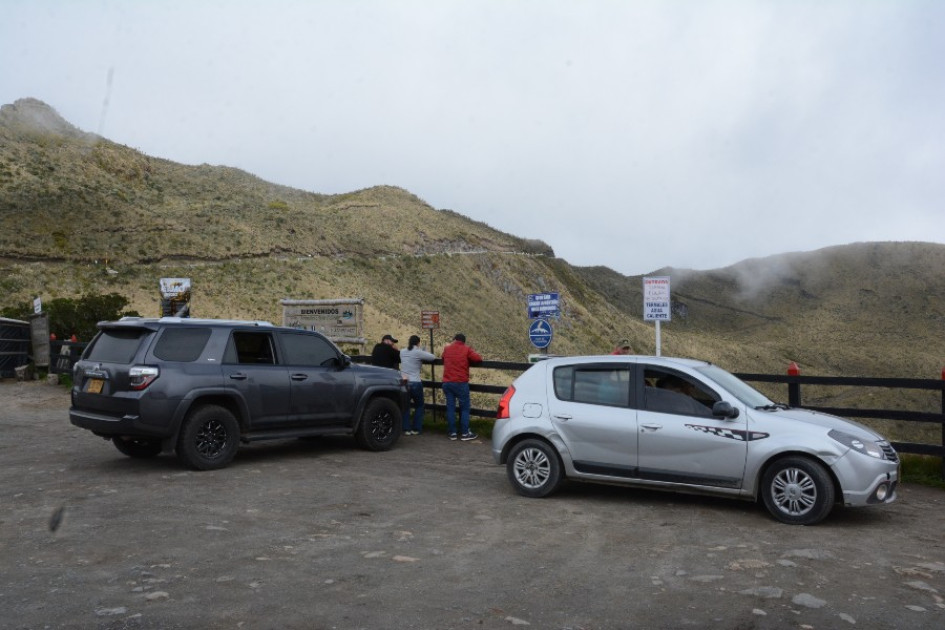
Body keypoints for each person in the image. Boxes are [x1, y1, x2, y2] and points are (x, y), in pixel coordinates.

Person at [441, 332, 482, 441]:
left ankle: (452, 433)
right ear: (464, 341)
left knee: (450, 408)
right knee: (464, 408)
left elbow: (442, 357)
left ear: (455, 340)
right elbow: (478, 359)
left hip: (447, 383)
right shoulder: (466, 349)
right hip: (460, 383)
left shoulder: (447, 348)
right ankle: (464, 433)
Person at [399, 335, 436, 435]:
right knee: (419, 406)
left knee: (405, 406)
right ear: (418, 343)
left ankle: (406, 429)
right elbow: (432, 357)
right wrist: (423, 351)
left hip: (404, 381)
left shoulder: (402, 352)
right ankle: (416, 428)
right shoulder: (418, 352)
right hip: (415, 382)